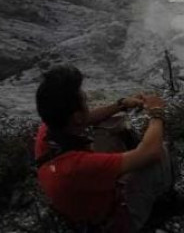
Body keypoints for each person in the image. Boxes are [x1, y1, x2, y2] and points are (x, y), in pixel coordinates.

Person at [34, 66, 176, 232]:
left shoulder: (48, 130)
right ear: (76, 116)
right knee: (161, 154)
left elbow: (87, 119)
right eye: (84, 100)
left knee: (108, 123)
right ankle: (166, 201)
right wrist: (156, 112)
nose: (86, 101)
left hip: (84, 202)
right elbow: (150, 153)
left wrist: (121, 105)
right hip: (115, 222)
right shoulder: (76, 167)